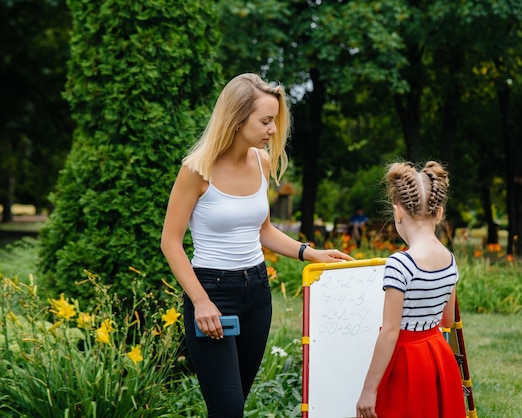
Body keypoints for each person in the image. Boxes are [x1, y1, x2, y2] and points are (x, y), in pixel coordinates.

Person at [160, 73, 352, 417]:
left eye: (274, 121)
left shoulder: (261, 162)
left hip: (257, 293)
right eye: (266, 121)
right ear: (236, 118)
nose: (273, 130)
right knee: (228, 409)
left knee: (235, 405)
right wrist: (201, 303)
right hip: (212, 295)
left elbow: (262, 230)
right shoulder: (196, 170)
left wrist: (310, 253)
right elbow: (171, 243)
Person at [356, 161, 466, 418]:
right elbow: (447, 319)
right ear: (439, 213)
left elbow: (391, 331)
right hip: (439, 357)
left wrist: (369, 390)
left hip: (408, 363)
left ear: (398, 212)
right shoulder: (450, 259)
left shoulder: (400, 263)